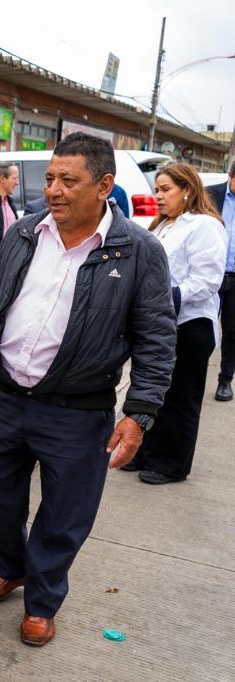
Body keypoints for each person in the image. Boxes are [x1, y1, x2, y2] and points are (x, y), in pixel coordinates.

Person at [0, 133, 177, 647]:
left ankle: (42, 600)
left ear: (103, 185)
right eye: (51, 178)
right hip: (7, 399)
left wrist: (139, 412)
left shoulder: (138, 250)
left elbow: (157, 339)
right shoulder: (25, 232)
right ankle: (10, 568)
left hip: (78, 412)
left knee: (64, 515)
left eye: (68, 181)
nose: (53, 190)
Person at [120, 163, 226, 484]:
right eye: (157, 189)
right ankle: (146, 451)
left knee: (180, 397)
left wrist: (167, 297)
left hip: (190, 324)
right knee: (156, 392)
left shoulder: (204, 225)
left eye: (166, 189)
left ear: (188, 190)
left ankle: (170, 463)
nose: (159, 196)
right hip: (159, 324)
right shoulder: (163, 225)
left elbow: (207, 280)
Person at [206, 164, 235, 401]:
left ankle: (225, 380)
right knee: (202, 327)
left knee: (232, 331)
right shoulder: (210, 195)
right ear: (230, 176)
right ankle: (190, 378)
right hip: (210, 276)